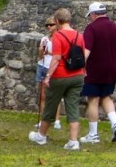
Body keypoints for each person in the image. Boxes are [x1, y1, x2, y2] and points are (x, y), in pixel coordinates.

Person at [29, 8, 84, 150]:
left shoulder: (59, 36)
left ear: (58, 21)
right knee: (72, 107)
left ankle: (41, 135)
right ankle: (73, 141)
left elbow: (56, 58)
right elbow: (82, 55)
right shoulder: (79, 35)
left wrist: (48, 76)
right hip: (77, 75)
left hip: (61, 75)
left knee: (50, 105)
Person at [80, 2, 116, 144]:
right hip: (111, 69)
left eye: (90, 16)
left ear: (93, 14)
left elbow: (86, 51)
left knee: (93, 99)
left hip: (95, 69)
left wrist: (81, 66)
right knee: (106, 97)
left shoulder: (91, 28)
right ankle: (115, 124)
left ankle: (93, 134)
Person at [36, 18, 63, 130]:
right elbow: (40, 55)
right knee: (42, 95)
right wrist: (41, 49)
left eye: (51, 25)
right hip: (43, 65)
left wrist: (49, 52)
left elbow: (59, 55)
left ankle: (56, 120)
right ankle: (43, 119)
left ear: (56, 25)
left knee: (56, 94)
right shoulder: (45, 39)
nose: (49, 27)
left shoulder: (60, 39)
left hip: (53, 67)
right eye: (47, 25)